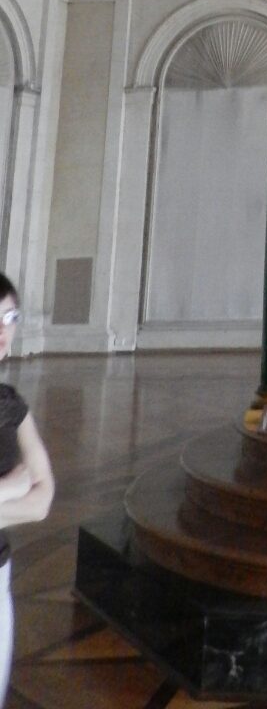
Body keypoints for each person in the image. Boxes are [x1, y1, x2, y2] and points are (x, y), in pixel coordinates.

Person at [0, 273, 54, 703]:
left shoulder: (10, 403)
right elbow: (26, 492)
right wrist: (9, 488)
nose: (3, 329)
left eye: (10, 316)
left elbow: (41, 502)